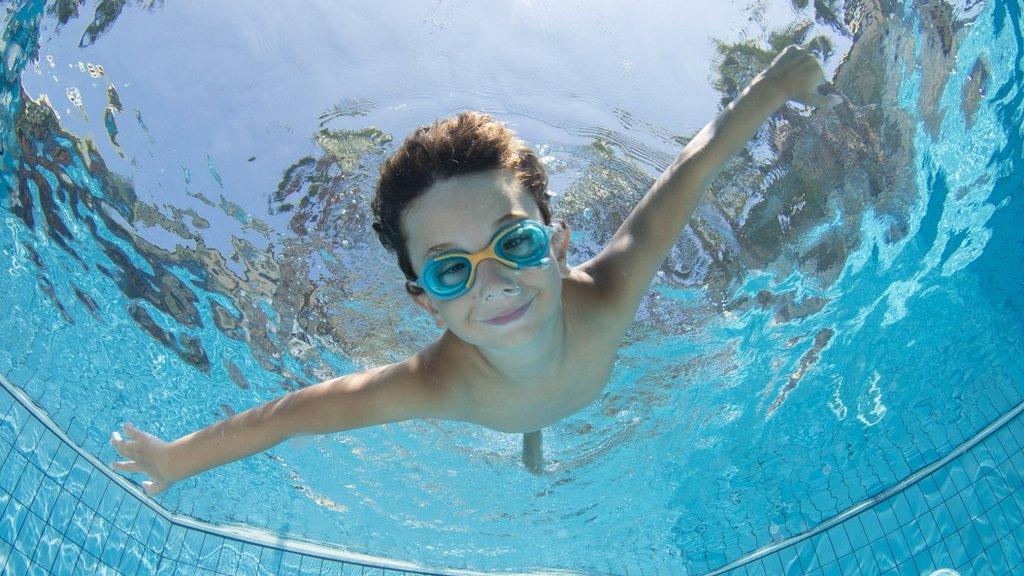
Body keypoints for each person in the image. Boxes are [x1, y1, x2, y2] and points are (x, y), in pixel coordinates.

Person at [111, 45, 842, 495]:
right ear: (425, 303)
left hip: (565, 386)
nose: (492, 282)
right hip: (513, 403)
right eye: (450, 271)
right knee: (532, 432)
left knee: (539, 424)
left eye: (514, 245)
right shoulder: (436, 382)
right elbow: (292, 415)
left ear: (557, 248)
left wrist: (772, 86)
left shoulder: (609, 294)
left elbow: (689, 173)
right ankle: (531, 438)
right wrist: (177, 459)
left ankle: (532, 435)